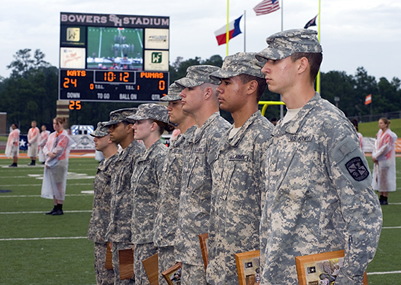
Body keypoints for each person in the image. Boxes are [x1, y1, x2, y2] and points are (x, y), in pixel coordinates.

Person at [255, 29, 382, 284]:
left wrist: (347, 278)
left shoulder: (330, 125)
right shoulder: (280, 129)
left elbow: (365, 213)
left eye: (274, 61)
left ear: (301, 65)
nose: (264, 69)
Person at [206, 52, 274, 285]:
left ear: (251, 87)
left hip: (248, 271)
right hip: (219, 266)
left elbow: (272, 214)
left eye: (227, 83)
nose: (219, 90)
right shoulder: (225, 138)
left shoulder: (265, 138)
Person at [174, 65, 230, 284]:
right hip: (189, 251)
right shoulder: (197, 134)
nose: (181, 94)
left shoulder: (218, 134)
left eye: (188, 88)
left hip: (206, 255)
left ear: (208, 92)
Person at [153, 83, 197, 285]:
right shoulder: (179, 141)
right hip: (170, 238)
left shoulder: (199, 140)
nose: (168, 108)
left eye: (173, 103)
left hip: (186, 244)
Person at [126, 103, 169, 284]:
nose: (134, 126)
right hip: (142, 237)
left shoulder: (161, 157)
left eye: (139, 122)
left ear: (153, 126)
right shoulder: (144, 156)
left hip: (153, 241)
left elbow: (166, 200)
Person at [104, 108, 145, 285]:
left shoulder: (138, 155)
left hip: (131, 238)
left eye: (115, 126)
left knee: (129, 281)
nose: (109, 130)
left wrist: (134, 238)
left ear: (129, 128)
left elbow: (142, 200)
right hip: (120, 237)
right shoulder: (123, 155)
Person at [87, 122, 119, 285]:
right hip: (101, 232)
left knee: (110, 279)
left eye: (99, 136)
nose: (95, 139)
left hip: (111, 235)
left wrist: (114, 234)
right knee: (102, 277)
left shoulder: (117, 165)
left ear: (110, 138)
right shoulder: (106, 163)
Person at [41, 117, 74, 216]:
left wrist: (50, 156)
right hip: (51, 162)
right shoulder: (52, 135)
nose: (55, 125)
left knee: (59, 184)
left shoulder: (64, 136)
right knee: (53, 185)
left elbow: (59, 149)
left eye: (57, 124)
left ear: (61, 124)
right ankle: (55, 206)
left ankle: (60, 206)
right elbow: (46, 146)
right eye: (54, 123)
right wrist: (48, 153)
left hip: (59, 162)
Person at [372, 117, 398, 205]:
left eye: (381, 123)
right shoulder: (380, 133)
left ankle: (385, 197)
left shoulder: (388, 135)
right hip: (380, 159)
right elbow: (377, 145)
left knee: (385, 179)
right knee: (379, 178)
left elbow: (386, 148)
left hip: (385, 159)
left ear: (386, 124)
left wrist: (377, 156)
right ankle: (381, 195)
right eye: (379, 123)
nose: (380, 125)